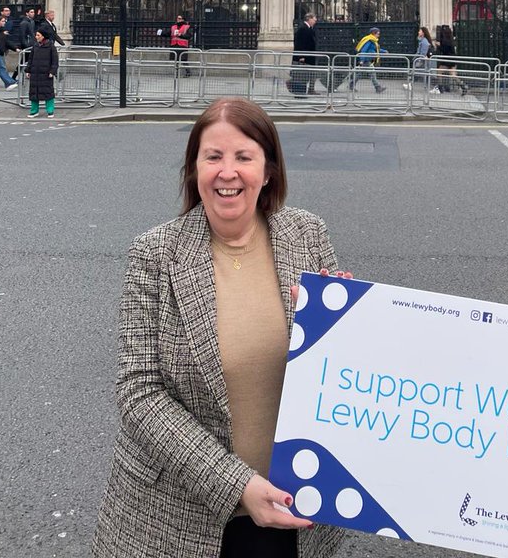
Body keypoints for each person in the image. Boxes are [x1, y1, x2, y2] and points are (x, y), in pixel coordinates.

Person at [92, 98, 346, 558]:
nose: (227, 172)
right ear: (194, 170)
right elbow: (139, 392)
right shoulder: (155, 253)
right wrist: (236, 484)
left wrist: (347, 326)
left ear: (268, 171)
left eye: (244, 157)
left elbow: (344, 375)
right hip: (178, 513)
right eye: (213, 157)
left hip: (297, 509)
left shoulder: (308, 235)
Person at [27, 29, 59, 117]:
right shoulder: (35, 46)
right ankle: (34, 111)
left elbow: (55, 61)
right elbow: (30, 59)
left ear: (43, 36)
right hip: (35, 73)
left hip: (46, 73)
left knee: (48, 92)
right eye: (36, 35)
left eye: (38, 35)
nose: (36, 37)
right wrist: (28, 70)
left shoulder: (51, 46)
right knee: (34, 93)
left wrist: (52, 71)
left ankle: (50, 111)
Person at [348, 27, 385, 93]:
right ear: (373, 33)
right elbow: (364, 50)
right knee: (372, 73)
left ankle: (351, 84)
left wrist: (384, 51)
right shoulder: (369, 40)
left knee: (359, 74)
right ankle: (378, 88)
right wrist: (362, 60)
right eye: (378, 34)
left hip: (366, 60)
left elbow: (375, 49)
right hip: (366, 60)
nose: (379, 35)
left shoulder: (373, 40)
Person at [290, 13, 318, 97]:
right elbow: (299, 44)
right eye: (314, 19)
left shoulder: (309, 28)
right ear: (309, 19)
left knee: (312, 73)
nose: (315, 20)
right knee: (302, 75)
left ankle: (311, 89)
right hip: (305, 57)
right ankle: (299, 90)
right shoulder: (302, 29)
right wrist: (301, 56)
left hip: (309, 56)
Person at [433, 23, 466, 96]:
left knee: (439, 72)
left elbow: (444, 50)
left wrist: (438, 46)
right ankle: (463, 86)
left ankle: (440, 87)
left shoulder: (445, 41)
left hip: (447, 59)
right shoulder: (451, 40)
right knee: (453, 75)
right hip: (453, 59)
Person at [412, 25, 434, 92]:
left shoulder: (424, 41)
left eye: (420, 31)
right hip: (422, 59)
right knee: (424, 73)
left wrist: (419, 58)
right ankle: (411, 84)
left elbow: (423, 52)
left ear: (423, 33)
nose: (418, 32)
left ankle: (411, 84)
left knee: (418, 72)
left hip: (423, 59)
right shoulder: (422, 40)